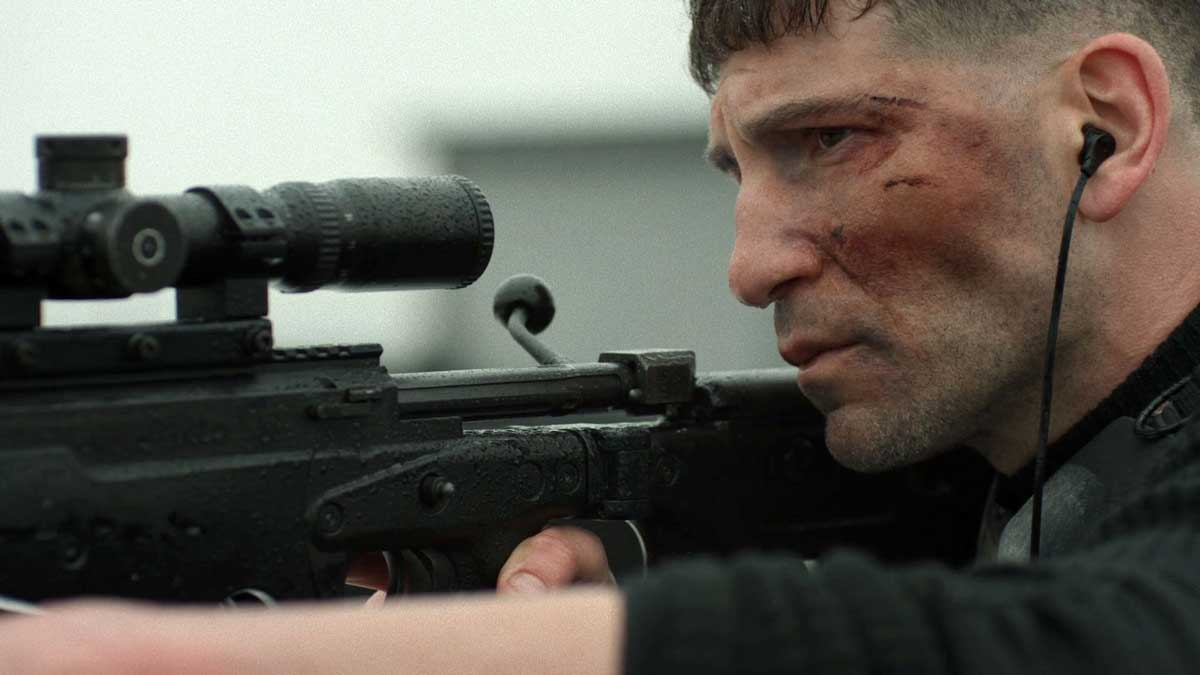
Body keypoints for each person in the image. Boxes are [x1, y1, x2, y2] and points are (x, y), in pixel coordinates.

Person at [5, 0, 1200, 672]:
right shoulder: (1004, 488)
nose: (749, 267)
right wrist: (632, 564)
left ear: (1103, 123)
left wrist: (129, 659)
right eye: (738, 171)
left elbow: (1109, 637)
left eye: (832, 141)